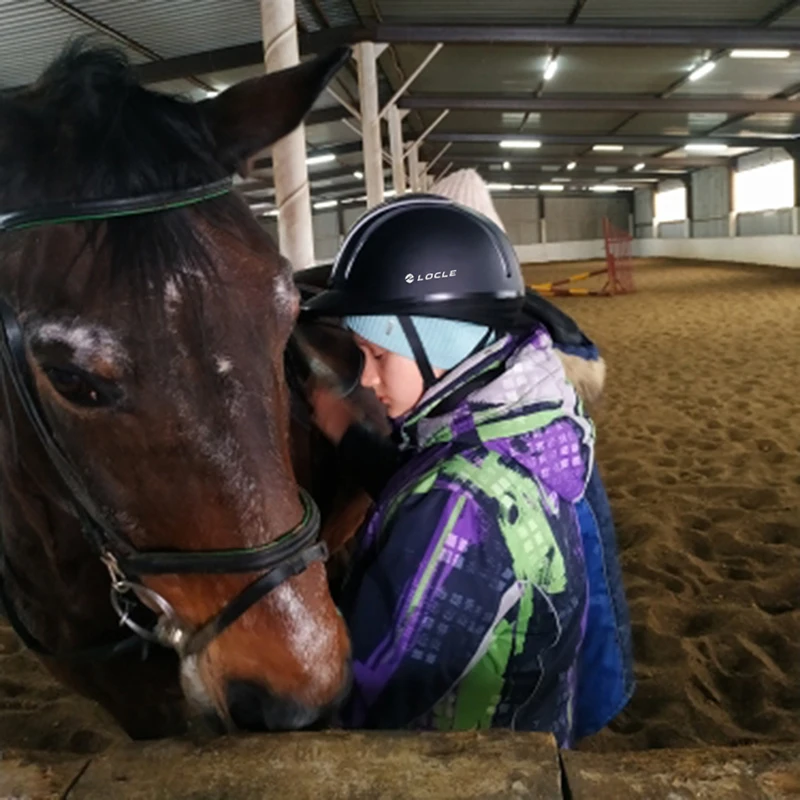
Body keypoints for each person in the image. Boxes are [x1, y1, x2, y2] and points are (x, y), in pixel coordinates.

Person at [302, 194, 630, 746]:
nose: (368, 380)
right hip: (534, 720)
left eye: (378, 355)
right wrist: (352, 441)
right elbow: (436, 474)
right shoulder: (530, 417)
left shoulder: (460, 507)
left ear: (438, 343)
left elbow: (375, 689)